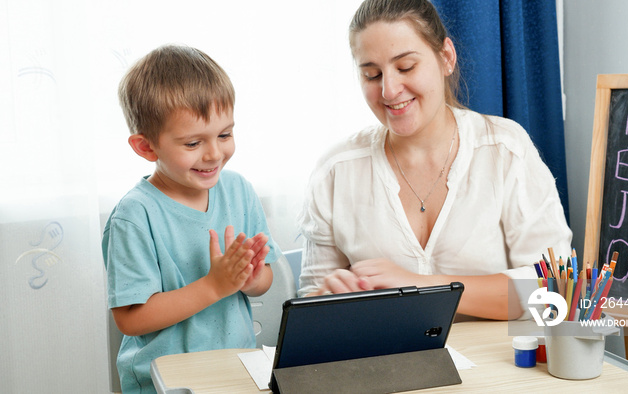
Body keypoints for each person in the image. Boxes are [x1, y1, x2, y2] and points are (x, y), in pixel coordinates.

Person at [297, 0, 572, 320]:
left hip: (499, 366)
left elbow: (555, 289)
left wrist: (423, 287)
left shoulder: (504, 150)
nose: (389, 90)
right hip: (387, 365)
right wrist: (328, 298)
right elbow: (311, 305)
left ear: (446, 57)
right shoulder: (336, 171)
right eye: (372, 74)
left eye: (405, 67)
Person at [102, 45, 280, 393]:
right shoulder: (134, 216)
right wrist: (214, 286)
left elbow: (265, 279)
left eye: (225, 134)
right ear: (146, 147)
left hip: (234, 375)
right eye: (193, 142)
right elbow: (130, 318)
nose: (215, 153)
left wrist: (251, 278)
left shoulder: (239, 190)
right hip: (166, 383)